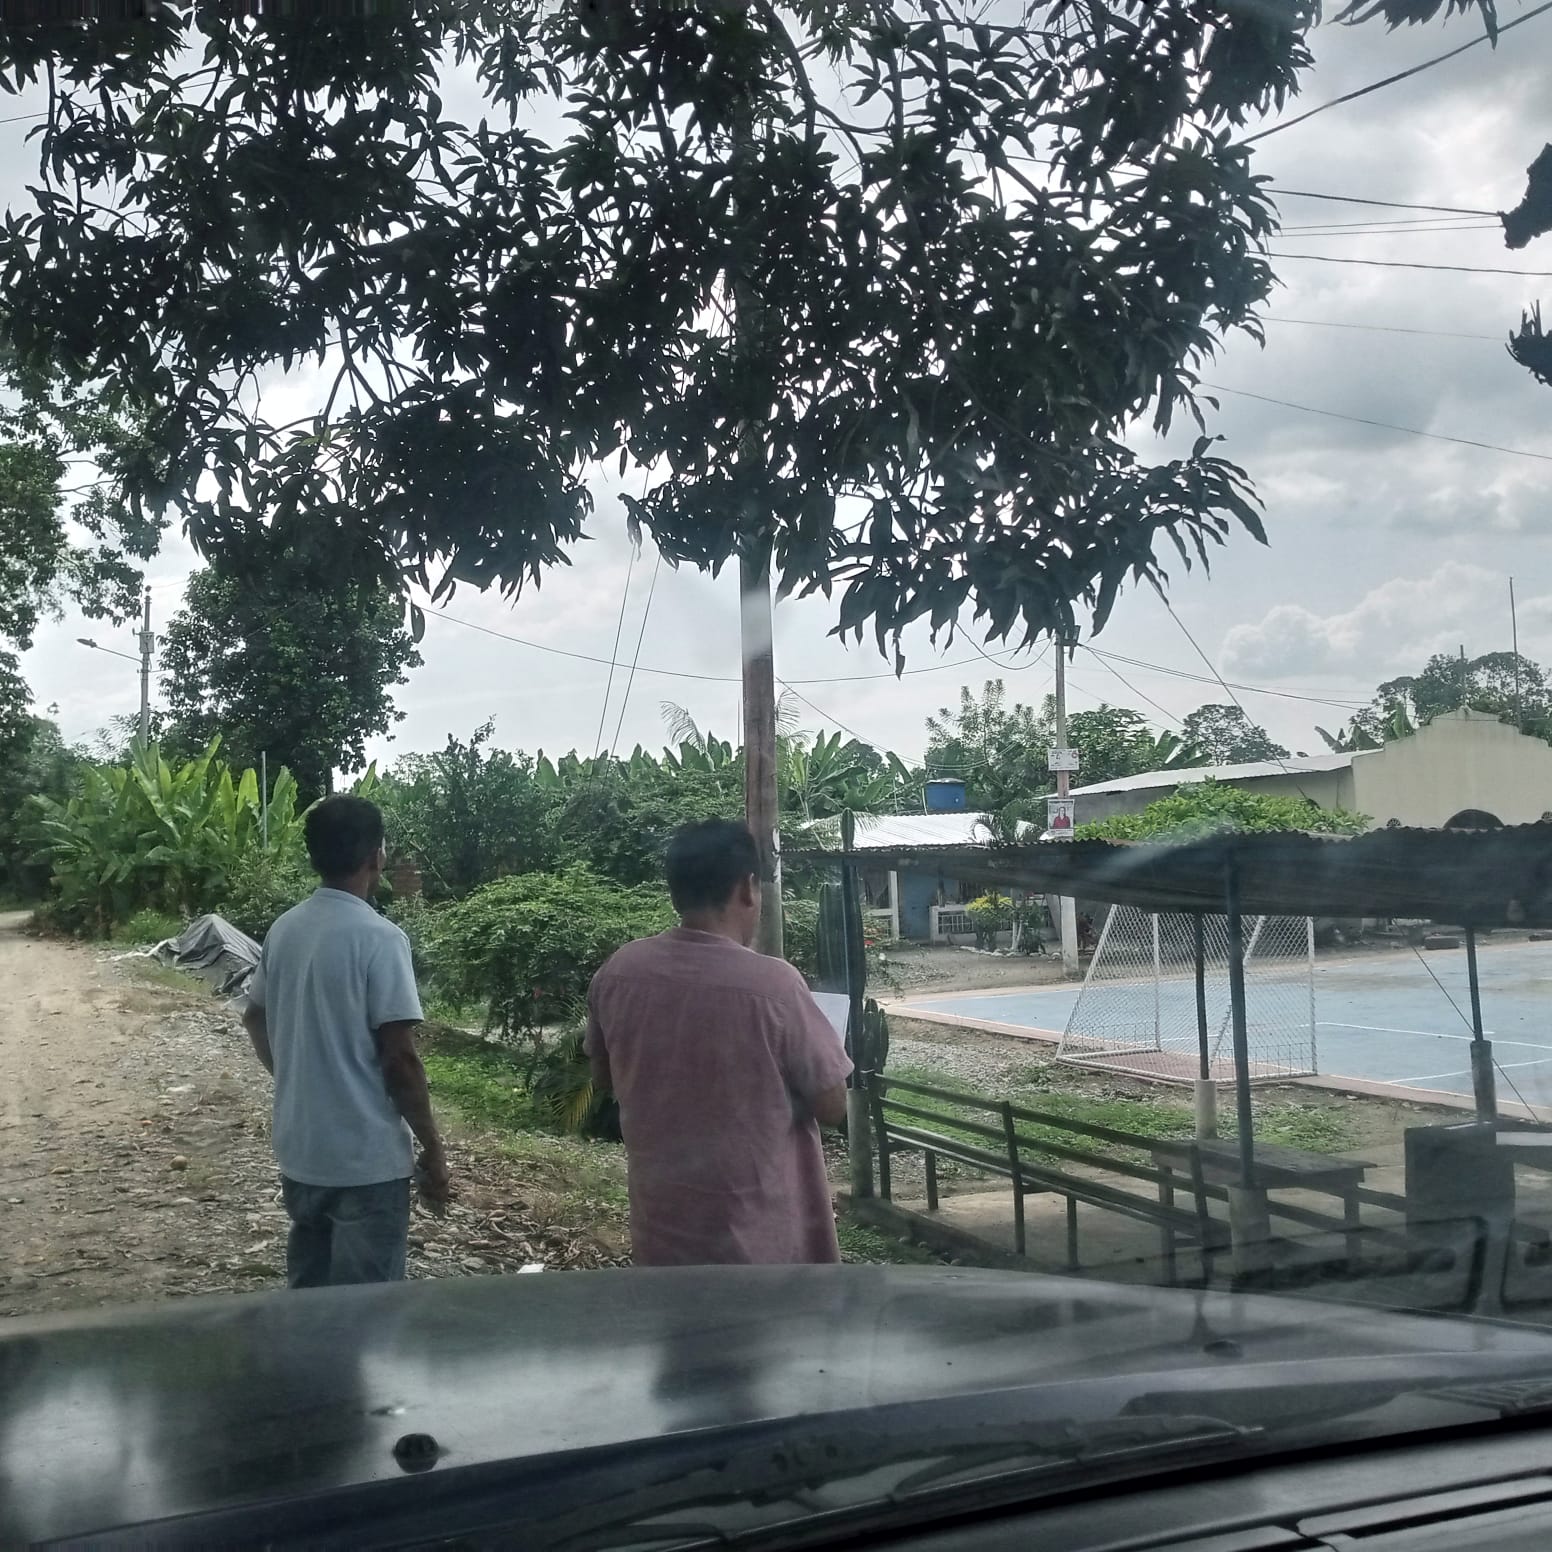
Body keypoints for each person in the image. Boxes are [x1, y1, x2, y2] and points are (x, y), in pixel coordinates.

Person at [586, 819, 852, 1266]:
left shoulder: (617, 973)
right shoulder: (775, 986)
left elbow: (604, 1078)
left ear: (676, 891)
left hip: (662, 1236)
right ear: (747, 888)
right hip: (762, 1246)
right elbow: (832, 1106)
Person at [242, 795, 449, 1288]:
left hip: (302, 1153)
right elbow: (400, 1059)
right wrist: (432, 1145)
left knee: (311, 1300)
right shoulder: (380, 938)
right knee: (366, 1312)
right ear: (376, 856)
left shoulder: (285, 929)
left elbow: (254, 1017)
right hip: (365, 1163)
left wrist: (298, 1076)